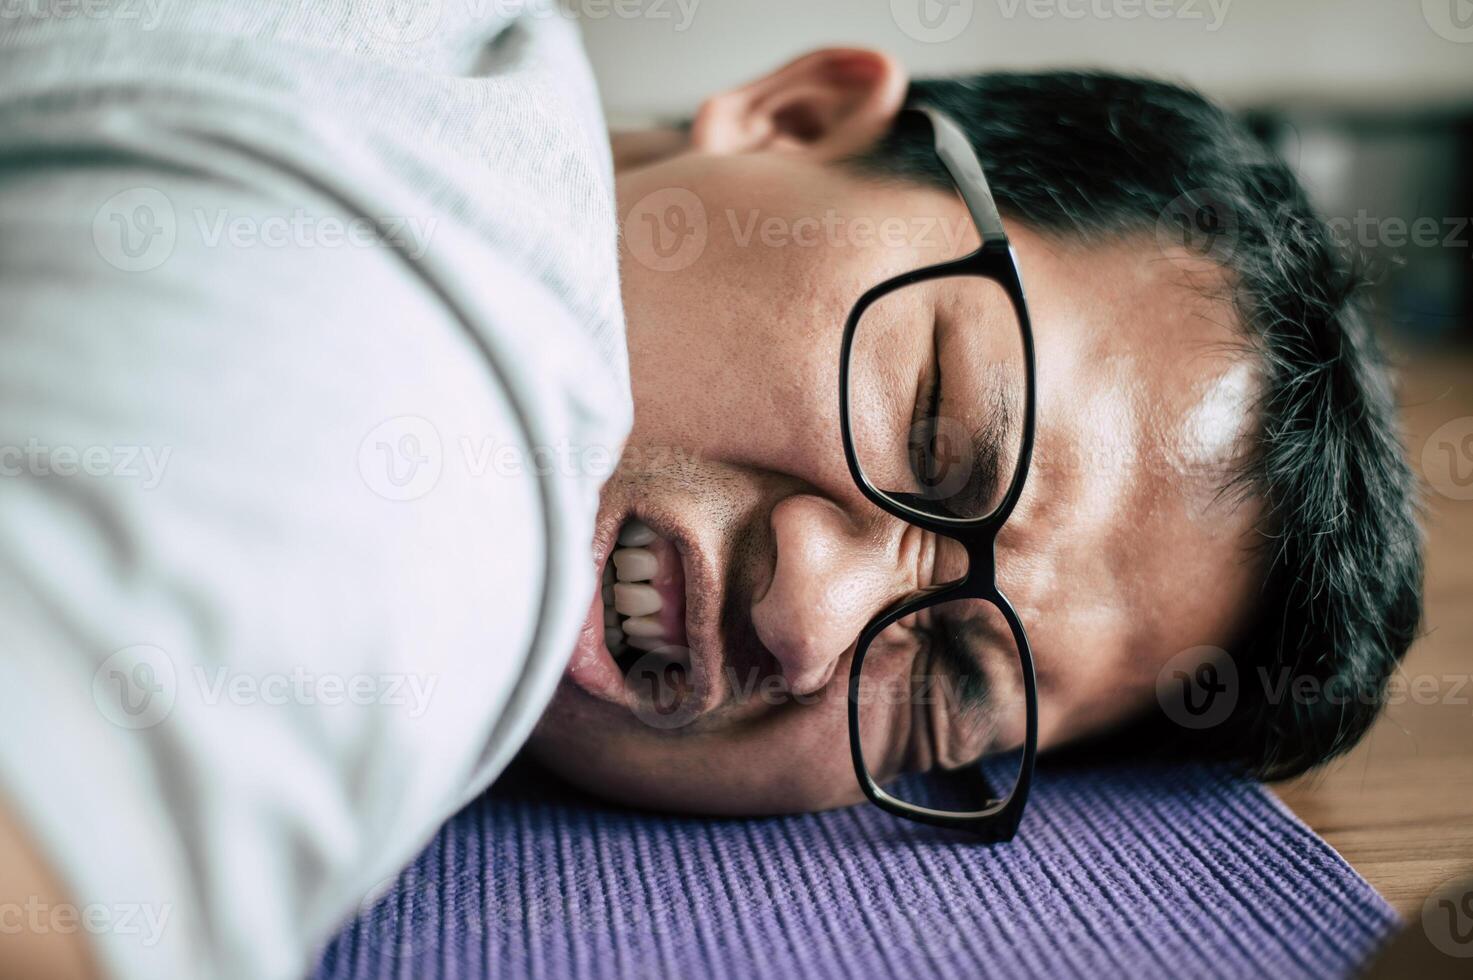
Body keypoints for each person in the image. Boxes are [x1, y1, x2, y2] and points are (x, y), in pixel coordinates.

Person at [0, 4, 1421, 979]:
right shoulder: (441, 383)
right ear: (798, 113)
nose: (809, 617)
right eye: (934, 432)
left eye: (941, 685)